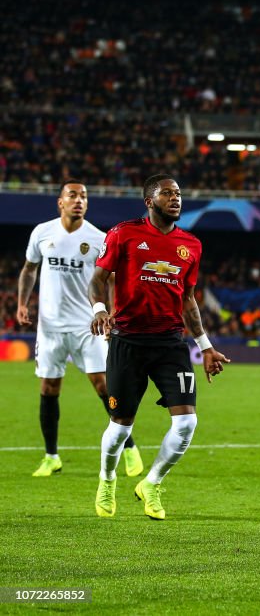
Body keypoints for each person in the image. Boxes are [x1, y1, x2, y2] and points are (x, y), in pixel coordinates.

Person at [90, 174, 230, 520]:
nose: (176, 199)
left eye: (179, 193)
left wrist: (206, 345)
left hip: (170, 343)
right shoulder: (123, 234)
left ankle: (151, 483)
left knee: (186, 424)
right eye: (167, 194)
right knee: (120, 426)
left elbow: (188, 299)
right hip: (127, 341)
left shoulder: (191, 245)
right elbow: (98, 279)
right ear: (149, 201)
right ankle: (107, 480)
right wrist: (100, 309)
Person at [17, 180, 144, 478]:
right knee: (48, 388)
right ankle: (51, 457)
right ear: (60, 202)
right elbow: (29, 269)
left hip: (87, 326)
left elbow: (111, 279)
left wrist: (111, 313)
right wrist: (22, 303)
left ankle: (129, 449)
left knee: (104, 386)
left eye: (83, 196)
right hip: (49, 328)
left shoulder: (99, 239)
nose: (79, 200)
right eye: (72, 195)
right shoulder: (42, 233)